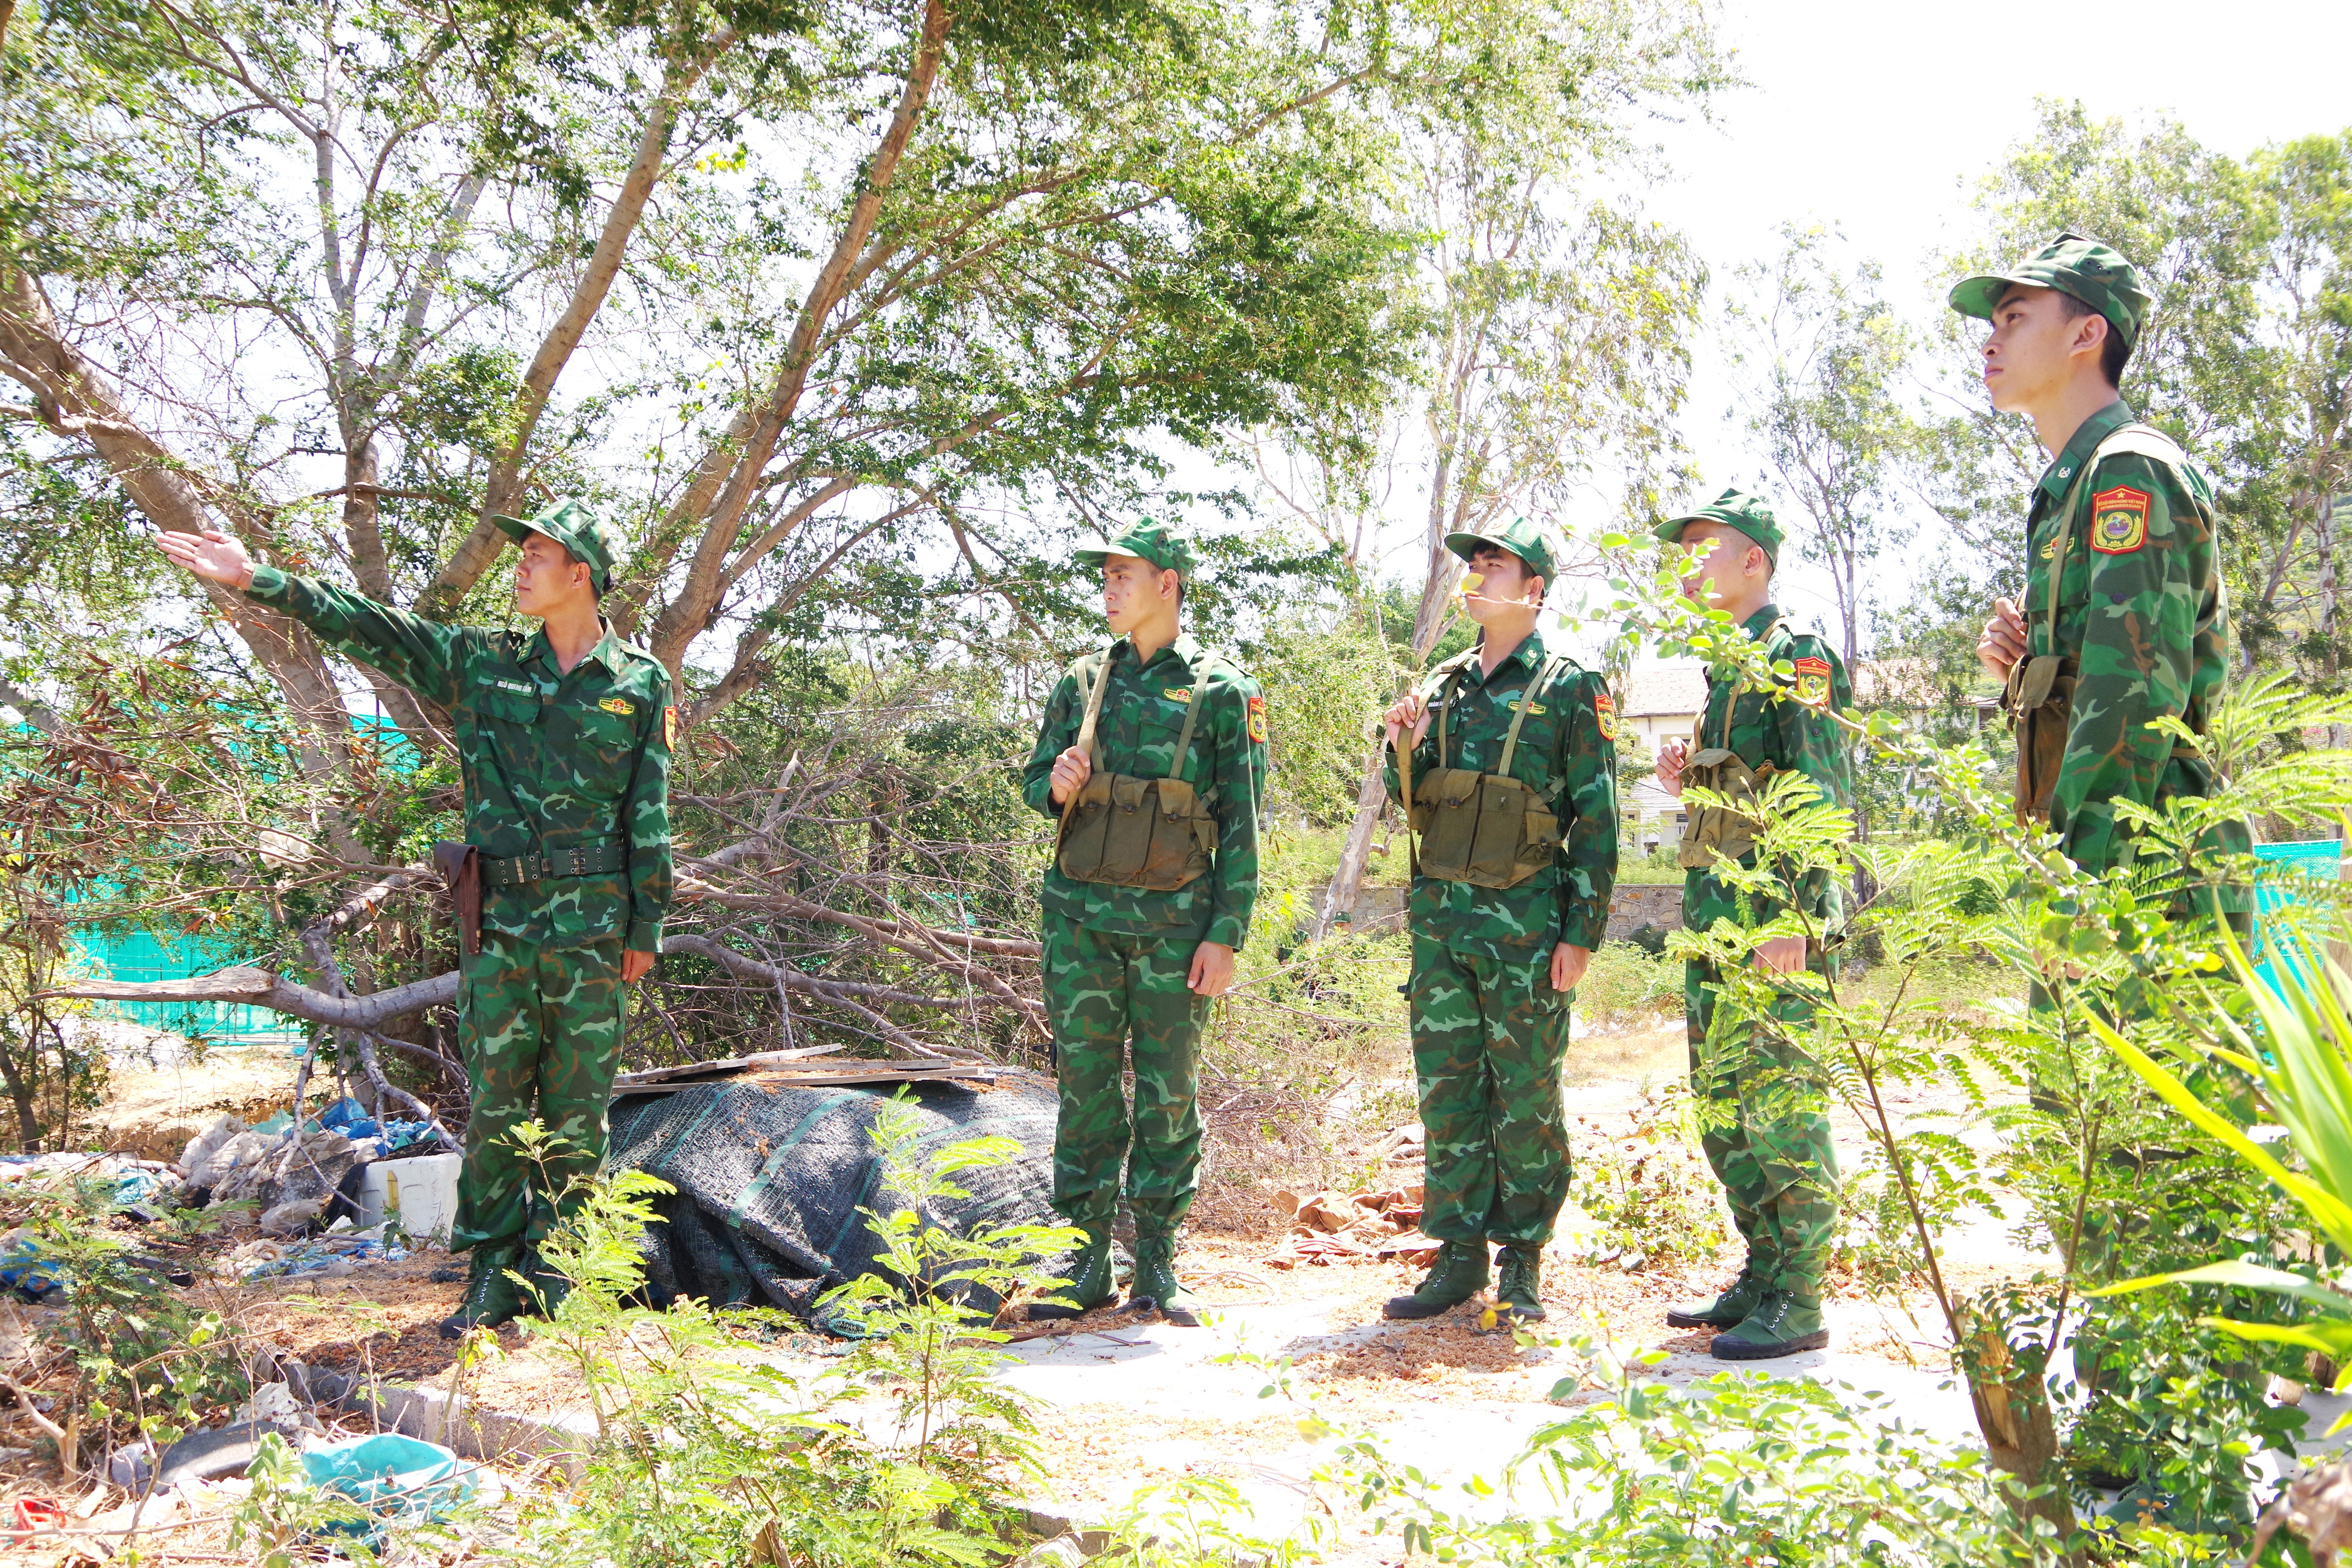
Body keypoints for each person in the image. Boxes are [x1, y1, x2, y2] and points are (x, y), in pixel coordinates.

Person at [154, 500, 674, 1338]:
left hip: (593, 929)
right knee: (501, 1107)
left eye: (537, 553)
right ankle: (494, 1275)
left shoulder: (640, 682)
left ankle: (567, 1275)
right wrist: (259, 579)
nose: (521, 566)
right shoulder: (483, 661)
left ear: (582, 571)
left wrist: (645, 926)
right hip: (500, 923)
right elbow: (376, 629)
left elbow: (647, 810)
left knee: (578, 1113)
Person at [1020, 521, 1265, 1328]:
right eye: (1106, 576)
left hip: (1175, 925)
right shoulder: (1084, 680)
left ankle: (1158, 1256)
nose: (1110, 587)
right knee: (1086, 1089)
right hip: (1081, 922)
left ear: (1169, 581)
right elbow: (1034, 785)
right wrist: (1057, 783)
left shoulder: (1224, 692)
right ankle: (1087, 1256)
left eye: (1125, 574)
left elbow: (1242, 821)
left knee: (1167, 1091)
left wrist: (1226, 932)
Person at [1377, 518, 1617, 1325]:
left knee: (1525, 1094)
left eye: (1495, 561)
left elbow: (1597, 816)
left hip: (1526, 928)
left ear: (1535, 588)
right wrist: (1399, 741)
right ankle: (1457, 1255)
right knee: (1449, 1092)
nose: (1477, 571)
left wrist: (1580, 931)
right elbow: (1412, 798)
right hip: (1444, 924)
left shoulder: (1570, 684)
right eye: (1473, 561)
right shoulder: (1442, 685)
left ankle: (1523, 1261)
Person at [1957, 232, 2236, 887]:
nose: (1989, 343)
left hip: (2141, 882)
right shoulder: (2074, 487)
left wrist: (2084, 885)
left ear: (2086, 335)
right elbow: (2091, 686)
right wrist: (2021, 673)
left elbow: (2134, 697)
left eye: (2015, 319)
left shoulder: (2128, 472)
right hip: (2090, 867)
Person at [1652, 488, 1851, 1361]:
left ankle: (1801, 1295)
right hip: (1715, 926)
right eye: (1681, 549)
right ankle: (1764, 1268)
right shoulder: (1725, 670)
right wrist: (1685, 780)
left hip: (1771, 931)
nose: (1687, 563)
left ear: (1754, 563)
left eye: (1704, 547)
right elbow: (1739, 797)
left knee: (1782, 1109)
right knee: (1724, 1107)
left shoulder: (1795, 653)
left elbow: (1818, 790)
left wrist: (1796, 917)